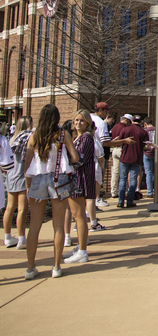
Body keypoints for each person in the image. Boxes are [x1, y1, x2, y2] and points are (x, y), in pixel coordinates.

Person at [23, 104, 79, 280]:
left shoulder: (34, 136)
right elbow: (75, 157)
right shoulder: (63, 135)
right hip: (59, 179)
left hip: (38, 178)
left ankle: (30, 268)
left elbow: (27, 162)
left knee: (34, 226)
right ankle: (56, 266)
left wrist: (27, 183)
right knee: (58, 224)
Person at [63, 111, 97, 264]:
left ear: (88, 123)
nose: (78, 123)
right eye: (76, 120)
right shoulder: (76, 137)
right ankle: (80, 246)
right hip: (74, 179)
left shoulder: (86, 138)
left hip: (80, 180)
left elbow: (79, 159)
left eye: (82, 121)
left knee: (79, 216)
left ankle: (82, 251)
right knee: (77, 216)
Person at [4, 117, 32, 249]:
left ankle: (7, 237)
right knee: (22, 209)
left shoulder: (11, 139)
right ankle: (21, 238)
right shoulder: (27, 138)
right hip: (22, 175)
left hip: (11, 175)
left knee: (9, 208)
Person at [114, 115, 148, 208]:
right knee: (133, 179)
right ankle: (130, 201)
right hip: (136, 157)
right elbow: (146, 146)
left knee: (123, 179)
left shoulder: (125, 129)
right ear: (140, 122)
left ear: (132, 121)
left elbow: (120, 141)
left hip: (125, 157)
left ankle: (120, 201)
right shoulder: (143, 132)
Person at [143, 116, 158, 197]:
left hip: (147, 153)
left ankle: (149, 192)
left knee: (149, 173)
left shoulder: (144, 131)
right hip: (156, 152)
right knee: (157, 172)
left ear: (145, 123)